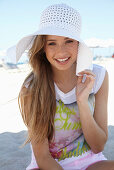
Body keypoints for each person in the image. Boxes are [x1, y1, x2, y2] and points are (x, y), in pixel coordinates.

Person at [17, 3, 114, 170]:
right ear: (43, 47)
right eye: (52, 43)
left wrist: (82, 101)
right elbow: (42, 156)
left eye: (68, 41)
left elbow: (98, 146)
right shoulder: (31, 87)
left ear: (78, 43)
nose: (61, 52)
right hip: (48, 165)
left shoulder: (98, 77)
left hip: (90, 162)